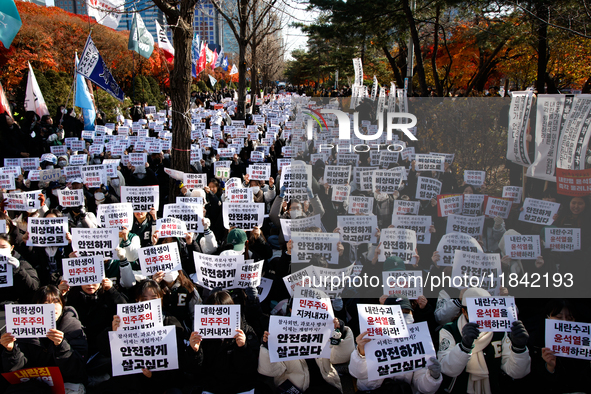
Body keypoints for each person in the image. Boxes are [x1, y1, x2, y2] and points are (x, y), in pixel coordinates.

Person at [437, 287, 531, 394]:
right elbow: (446, 369)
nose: (483, 314)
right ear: (464, 311)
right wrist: (463, 347)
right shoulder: (450, 330)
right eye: (476, 310)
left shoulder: (500, 331)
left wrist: (519, 349)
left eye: (487, 308)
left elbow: (516, 372)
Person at [0, 285, 88, 391]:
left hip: (67, 383)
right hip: (34, 385)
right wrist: (11, 350)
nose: (51, 307)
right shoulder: (23, 328)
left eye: (56, 302)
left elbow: (77, 370)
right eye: (46, 303)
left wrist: (61, 346)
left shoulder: (73, 327)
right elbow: (17, 371)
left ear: (62, 304)